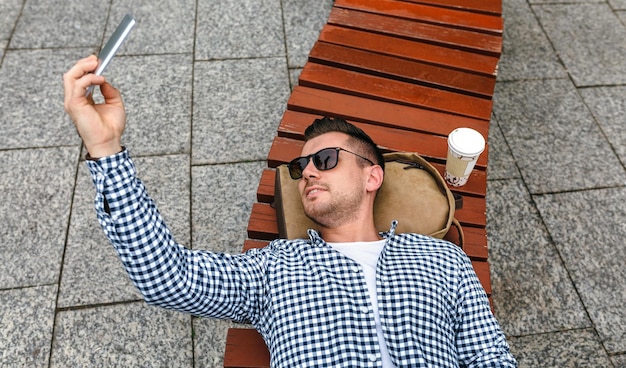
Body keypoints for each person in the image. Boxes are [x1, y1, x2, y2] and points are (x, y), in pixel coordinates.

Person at [63, 55, 517, 367]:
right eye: (300, 166)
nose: (307, 174)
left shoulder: (442, 259)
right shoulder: (275, 268)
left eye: (325, 160)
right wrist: (105, 149)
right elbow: (168, 278)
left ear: (371, 177)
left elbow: (491, 356)